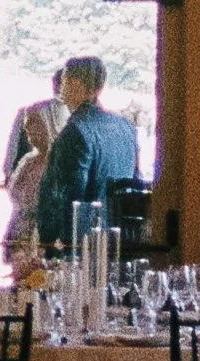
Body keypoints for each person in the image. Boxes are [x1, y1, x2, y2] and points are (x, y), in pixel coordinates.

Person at [35, 55, 139, 252]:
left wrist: (51, 245)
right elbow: (134, 185)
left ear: (75, 82)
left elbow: (69, 200)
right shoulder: (125, 127)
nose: (60, 86)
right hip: (121, 244)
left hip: (83, 247)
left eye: (64, 79)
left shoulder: (77, 131)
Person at [4, 100, 63, 252]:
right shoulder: (28, 160)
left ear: (50, 123)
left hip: (42, 243)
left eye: (34, 122)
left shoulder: (60, 164)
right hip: (17, 241)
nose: (26, 126)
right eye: (27, 121)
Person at [5, 66, 64, 184]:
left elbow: (13, 147)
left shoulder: (29, 111)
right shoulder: (81, 117)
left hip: (31, 179)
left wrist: (9, 173)